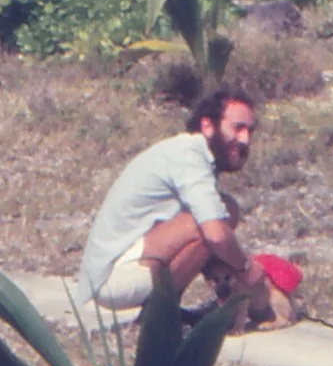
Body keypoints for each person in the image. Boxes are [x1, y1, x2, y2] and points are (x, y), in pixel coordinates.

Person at [80, 89, 289, 327]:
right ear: (207, 126)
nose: (245, 140)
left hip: (121, 270)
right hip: (113, 280)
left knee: (223, 210)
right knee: (214, 222)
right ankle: (159, 316)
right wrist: (249, 271)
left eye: (250, 131)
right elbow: (215, 234)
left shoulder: (189, 154)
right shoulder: (189, 157)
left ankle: (167, 310)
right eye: (237, 128)